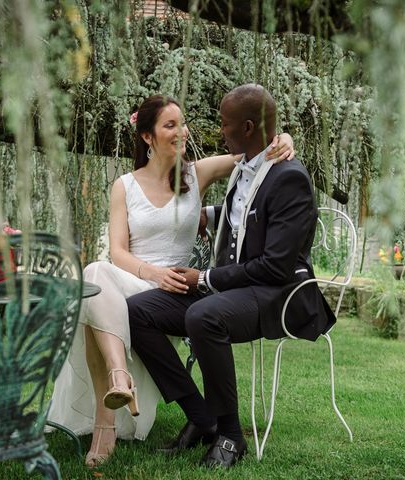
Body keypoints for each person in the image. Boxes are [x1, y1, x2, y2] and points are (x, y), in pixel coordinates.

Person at [47, 94, 295, 467]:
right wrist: (153, 273)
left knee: (95, 293)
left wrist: (286, 138)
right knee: (98, 273)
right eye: (170, 125)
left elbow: (254, 149)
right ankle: (118, 379)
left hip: (178, 293)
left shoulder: (198, 173)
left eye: (183, 123)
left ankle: (109, 418)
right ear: (147, 137)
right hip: (135, 279)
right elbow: (118, 252)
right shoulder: (124, 186)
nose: (182, 132)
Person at [126, 84, 336, 469]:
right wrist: (202, 215)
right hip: (237, 287)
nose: (220, 131)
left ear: (248, 127)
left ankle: (230, 436)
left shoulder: (288, 177)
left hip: (279, 294)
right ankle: (201, 417)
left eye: (225, 124)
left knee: (203, 315)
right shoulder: (249, 166)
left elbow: (275, 266)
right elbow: (243, 215)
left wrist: (204, 279)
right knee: (137, 312)